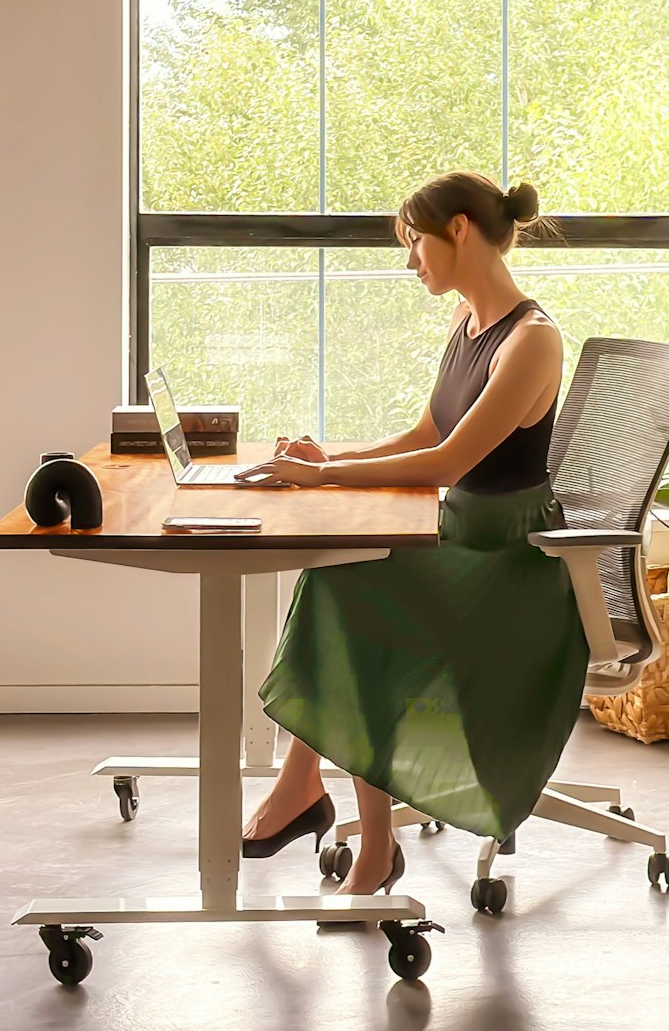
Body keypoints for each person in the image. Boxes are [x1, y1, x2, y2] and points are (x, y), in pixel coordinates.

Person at [234, 170, 589, 896]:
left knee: (352, 591)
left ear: (459, 229)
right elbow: (430, 429)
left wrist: (321, 482)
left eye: (415, 243)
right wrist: (328, 454)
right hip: (459, 535)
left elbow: (449, 460)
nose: (409, 261)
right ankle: (323, 804)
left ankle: (341, 822)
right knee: (338, 571)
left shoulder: (532, 341)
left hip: (508, 561)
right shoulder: (469, 324)